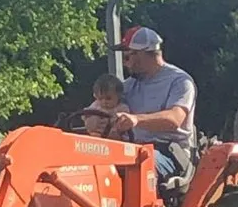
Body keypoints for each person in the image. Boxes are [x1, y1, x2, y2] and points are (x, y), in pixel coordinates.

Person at [111, 25, 197, 182]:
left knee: (139, 167)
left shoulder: (179, 81)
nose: (125, 63)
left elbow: (174, 119)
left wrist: (136, 120)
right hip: (132, 148)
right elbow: (107, 108)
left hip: (169, 152)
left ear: (142, 54)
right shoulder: (128, 85)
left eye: (127, 57)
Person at [83, 73, 131, 137]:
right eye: (100, 98)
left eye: (108, 98)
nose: (104, 101)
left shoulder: (122, 109)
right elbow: (88, 121)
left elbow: (123, 126)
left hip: (116, 138)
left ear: (118, 96)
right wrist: (89, 116)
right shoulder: (95, 105)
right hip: (96, 135)